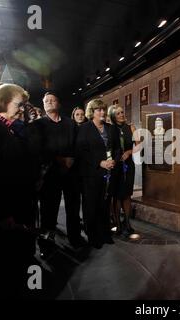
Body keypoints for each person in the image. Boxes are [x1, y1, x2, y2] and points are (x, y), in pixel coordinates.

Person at [0, 84, 39, 299]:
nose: (22, 108)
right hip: (7, 215)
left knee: (22, 261)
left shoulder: (14, 129)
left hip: (23, 208)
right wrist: (2, 214)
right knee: (6, 269)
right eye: (18, 104)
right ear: (2, 102)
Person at [35, 91, 85, 253]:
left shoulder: (70, 124)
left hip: (71, 173)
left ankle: (75, 238)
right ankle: (47, 244)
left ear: (59, 104)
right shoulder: (38, 125)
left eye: (52, 100)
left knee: (73, 208)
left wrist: (71, 159)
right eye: (46, 100)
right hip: (50, 174)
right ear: (43, 105)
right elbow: (38, 149)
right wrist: (59, 159)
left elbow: (79, 146)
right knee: (48, 212)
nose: (49, 102)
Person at [76, 99, 119, 248]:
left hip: (109, 172)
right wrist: (100, 163)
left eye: (103, 109)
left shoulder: (111, 128)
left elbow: (117, 149)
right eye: (98, 110)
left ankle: (105, 233)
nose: (102, 112)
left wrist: (113, 160)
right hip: (91, 173)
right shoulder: (85, 128)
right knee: (91, 206)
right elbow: (82, 151)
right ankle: (93, 236)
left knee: (105, 205)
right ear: (92, 112)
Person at [108, 105, 138, 236]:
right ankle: (118, 224)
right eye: (118, 113)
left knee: (127, 194)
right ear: (113, 116)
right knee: (117, 196)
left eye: (122, 112)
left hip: (128, 165)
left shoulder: (131, 127)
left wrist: (129, 152)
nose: (121, 115)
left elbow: (139, 145)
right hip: (115, 166)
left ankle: (127, 222)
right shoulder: (110, 129)